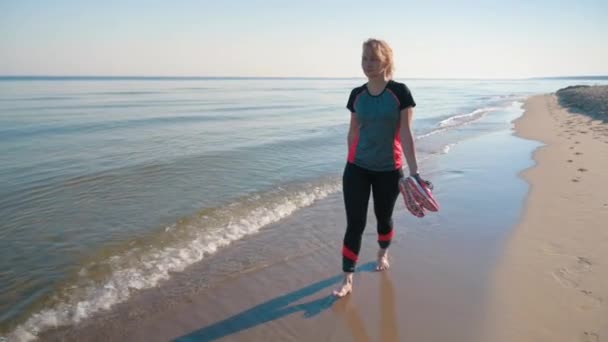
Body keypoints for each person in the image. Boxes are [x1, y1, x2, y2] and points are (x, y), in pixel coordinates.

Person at [333, 38, 420, 297]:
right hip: (356, 168)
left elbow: (405, 133)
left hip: (388, 169)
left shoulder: (400, 93)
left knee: (384, 218)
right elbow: (352, 131)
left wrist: (414, 173)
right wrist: (350, 161)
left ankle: (382, 253)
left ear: (386, 62)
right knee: (355, 223)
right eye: (364, 59)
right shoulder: (356, 95)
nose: (367, 64)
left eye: (373, 59)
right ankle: (347, 278)